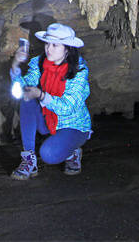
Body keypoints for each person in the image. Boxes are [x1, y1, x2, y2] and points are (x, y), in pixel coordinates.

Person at [9, 22, 92, 179]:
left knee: (48, 154)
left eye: (55, 45)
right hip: (49, 119)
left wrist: (41, 95)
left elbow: (68, 107)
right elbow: (21, 90)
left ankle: (73, 151)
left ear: (67, 49)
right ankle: (29, 160)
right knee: (27, 98)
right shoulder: (40, 63)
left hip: (73, 126)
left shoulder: (79, 72)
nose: (48, 49)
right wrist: (15, 65)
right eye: (47, 44)